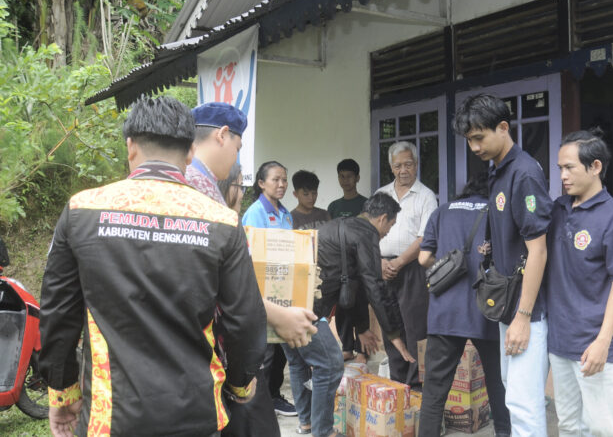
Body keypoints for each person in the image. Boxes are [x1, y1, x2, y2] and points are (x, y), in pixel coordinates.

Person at [40, 96, 267, 437]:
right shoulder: (221, 222)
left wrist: (63, 392)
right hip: (196, 416)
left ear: (130, 146)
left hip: (110, 419)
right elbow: (245, 320)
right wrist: (239, 384)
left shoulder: (81, 211)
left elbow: (58, 313)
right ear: (190, 152)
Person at [453, 94, 552, 436]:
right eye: (469, 140)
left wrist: (524, 318)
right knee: (514, 396)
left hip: (527, 310)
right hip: (508, 306)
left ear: (503, 128)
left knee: (524, 406)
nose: (474, 147)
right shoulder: (498, 171)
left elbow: (538, 250)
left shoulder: (523, 173)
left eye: (479, 137)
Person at [290, 193, 415, 437]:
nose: (388, 231)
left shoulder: (334, 225)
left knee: (298, 362)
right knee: (330, 364)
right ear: (381, 218)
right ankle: (323, 431)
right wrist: (394, 334)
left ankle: (306, 423)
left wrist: (363, 328)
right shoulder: (367, 233)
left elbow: (353, 283)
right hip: (310, 311)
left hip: (290, 301)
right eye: (390, 225)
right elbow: (373, 285)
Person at [546, 129, 613, 437]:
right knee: (570, 426)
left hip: (596, 346)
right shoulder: (557, 210)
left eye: (569, 167)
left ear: (595, 167)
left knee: (603, 429)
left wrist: (602, 342)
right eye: (560, 168)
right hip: (560, 343)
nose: (562, 175)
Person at [417, 173, 511, 437]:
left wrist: (449, 264)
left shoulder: (442, 211)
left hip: (445, 312)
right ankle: (504, 433)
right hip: (487, 310)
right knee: (499, 385)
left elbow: (424, 258)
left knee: (434, 392)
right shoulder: (496, 211)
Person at [376, 141, 438, 387]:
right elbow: (368, 232)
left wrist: (400, 262)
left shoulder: (426, 196)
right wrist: (380, 262)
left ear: (416, 165)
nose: (403, 170)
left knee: (414, 328)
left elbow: (425, 238)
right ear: (391, 168)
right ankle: (397, 381)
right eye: (398, 165)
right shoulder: (380, 195)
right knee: (390, 326)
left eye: (408, 164)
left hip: (412, 269)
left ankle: (415, 384)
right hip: (382, 268)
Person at [241, 161, 298, 417]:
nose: (282, 184)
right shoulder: (255, 212)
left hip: (283, 288)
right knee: (265, 349)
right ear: (262, 183)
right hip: (261, 289)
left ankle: (273, 396)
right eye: (276, 179)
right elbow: (252, 253)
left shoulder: (286, 213)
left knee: (280, 345)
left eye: (284, 180)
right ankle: (260, 400)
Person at [327, 159, 370, 364]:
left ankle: (363, 350)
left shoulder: (366, 203)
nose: (346, 180)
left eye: (350, 176)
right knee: (342, 307)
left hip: (360, 265)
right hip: (339, 266)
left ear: (357, 178)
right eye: (342, 176)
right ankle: (347, 348)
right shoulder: (334, 206)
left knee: (360, 306)